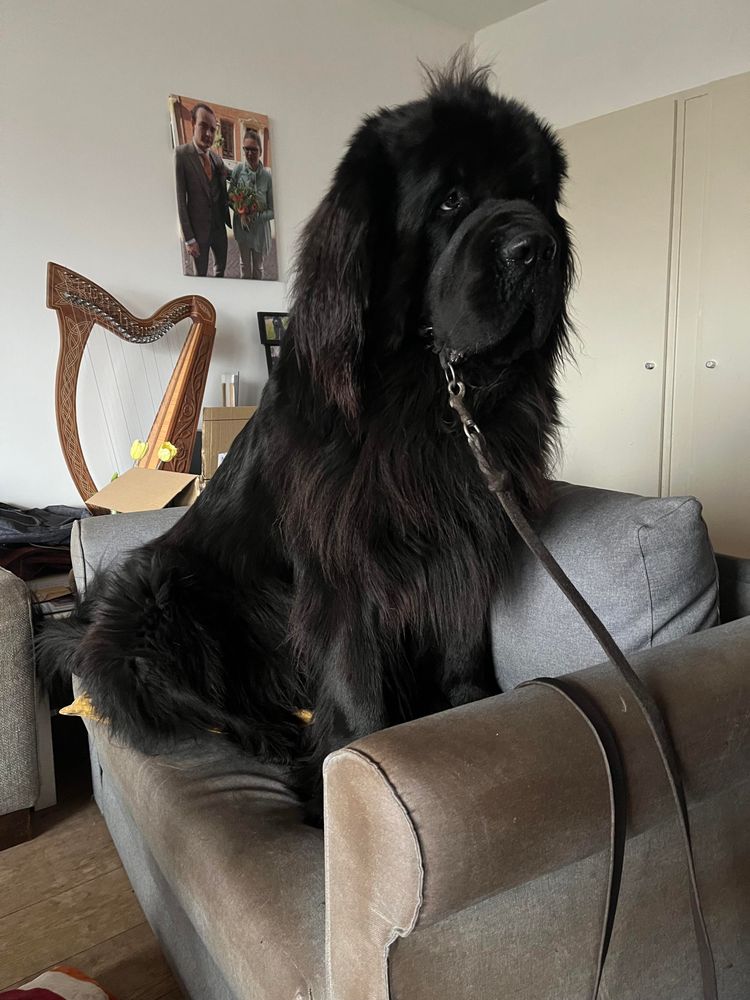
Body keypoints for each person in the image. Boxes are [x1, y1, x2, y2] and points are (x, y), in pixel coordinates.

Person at [174, 103, 230, 277]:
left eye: (212, 130)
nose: (208, 134)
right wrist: (189, 239)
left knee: (221, 272)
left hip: (220, 230)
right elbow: (180, 201)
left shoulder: (215, 157)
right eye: (203, 126)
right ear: (192, 123)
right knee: (201, 277)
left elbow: (231, 175)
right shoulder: (182, 155)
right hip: (198, 234)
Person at [228, 130, 274, 279]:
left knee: (259, 268)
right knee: (244, 266)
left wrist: (256, 216)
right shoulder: (237, 171)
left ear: (260, 151)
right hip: (243, 230)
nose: (249, 153)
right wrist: (241, 213)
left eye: (253, 149)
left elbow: (273, 211)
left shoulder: (267, 177)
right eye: (246, 149)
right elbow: (230, 197)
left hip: (259, 232)